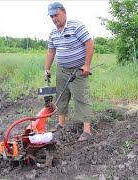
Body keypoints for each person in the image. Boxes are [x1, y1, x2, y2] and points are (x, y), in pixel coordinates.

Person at [44, 2, 94, 142]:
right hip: (62, 69)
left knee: (81, 97)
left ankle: (87, 131)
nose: (54, 19)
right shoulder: (53, 32)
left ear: (64, 12)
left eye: (56, 15)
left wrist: (87, 65)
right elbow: (51, 51)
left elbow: (89, 44)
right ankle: (61, 123)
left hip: (79, 69)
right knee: (62, 96)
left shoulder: (76, 26)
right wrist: (47, 68)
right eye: (51, 16)